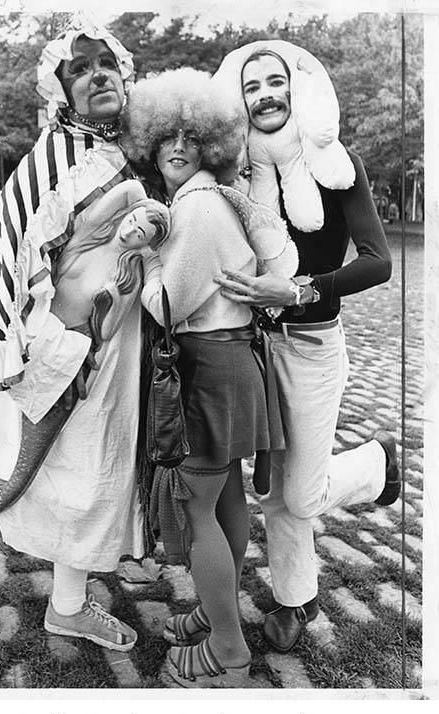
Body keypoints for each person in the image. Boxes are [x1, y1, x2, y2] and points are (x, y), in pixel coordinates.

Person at [0, 26, 154, 653]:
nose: (98, 75)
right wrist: (20, 344)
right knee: (75, 474)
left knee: (78, 471)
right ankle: (62, 597)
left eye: (108, 64)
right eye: (80, 69)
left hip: (111, 346)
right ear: (62, 91)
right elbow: (3, 250)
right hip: (68, 349)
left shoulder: (114, 153)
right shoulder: (56, 160)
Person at [214, 41, 398, 654]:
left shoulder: (338, 166)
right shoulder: (236, 173)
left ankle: (375, 464)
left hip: (316, 346)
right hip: (255, 349)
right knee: (272, 486)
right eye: (251, 86)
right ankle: (298, 601)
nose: (265, 95)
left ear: (298, 89)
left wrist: (297, 291)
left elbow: (378, 263)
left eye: (276, 81)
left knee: (301, 492)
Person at [121, 67, 288, 688]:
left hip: (207, 367)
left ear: (211, 144)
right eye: (166, 138)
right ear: (149, 143)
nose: (177, 147)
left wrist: (142, 264)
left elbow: (169, 305)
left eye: (190, 137)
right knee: (224, 500)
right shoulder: (211, 200)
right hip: (233, 363)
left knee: (195, 511)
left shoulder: (193, 207)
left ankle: (227, 646)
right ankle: (215, 613)